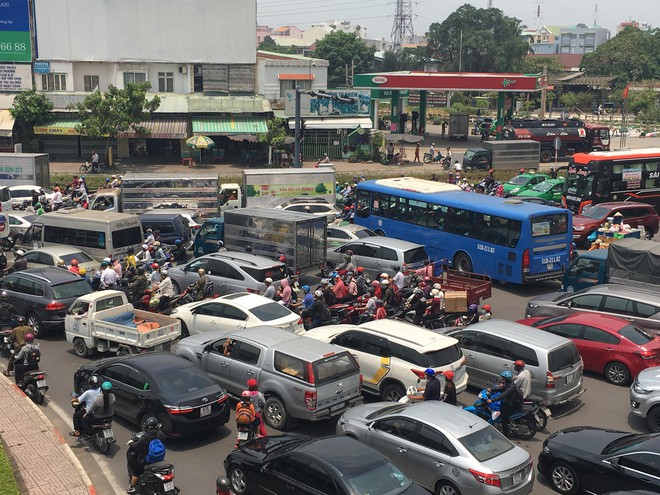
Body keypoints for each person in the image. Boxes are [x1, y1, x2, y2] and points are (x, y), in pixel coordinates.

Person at [126, 417, 165, 493]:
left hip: (147, 459)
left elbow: (136, 446)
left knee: (136, 472)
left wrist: (130, 443)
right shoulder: (160, 434)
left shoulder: (145, 437)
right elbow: (163, 440)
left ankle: (132, 487)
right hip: (159, 457)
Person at [488, 370, 521, 437]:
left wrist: (492, 400)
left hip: (509, 405)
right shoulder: (508, 384)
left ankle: (506, 434)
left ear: (506, 379)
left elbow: (502, 395)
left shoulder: (511, 388)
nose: (502, 378)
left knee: (504, 419)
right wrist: (491, 389)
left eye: (503, 377)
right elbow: (501, 389)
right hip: (506, 403)